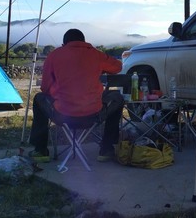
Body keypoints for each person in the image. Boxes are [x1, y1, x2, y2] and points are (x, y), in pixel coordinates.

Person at [29, 28, 124, 162]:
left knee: (39, 98)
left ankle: (40, 150)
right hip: (93, 115)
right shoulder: (96, 54)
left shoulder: (54, 55)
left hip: (62, 115)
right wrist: (99, 67)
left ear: (64, 44)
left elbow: (45, 88)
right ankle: (107, 148)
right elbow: (118, 67)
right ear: (84, 42)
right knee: (117, 97)